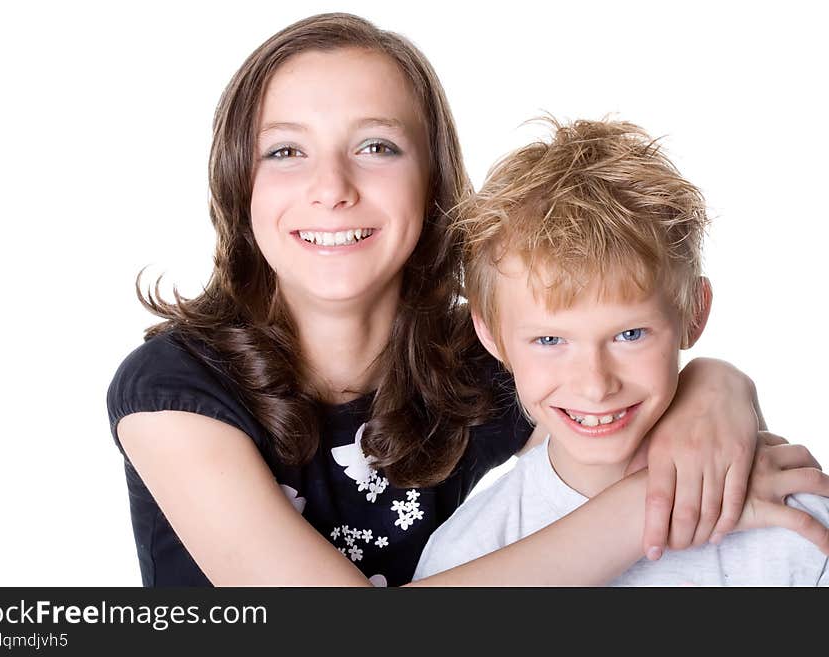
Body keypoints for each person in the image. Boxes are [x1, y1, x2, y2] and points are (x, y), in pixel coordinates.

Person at [106, 13, 829, 587]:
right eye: (285, 150)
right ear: (241, 182)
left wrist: (715, 383)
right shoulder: (173, 389)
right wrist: (654, 506)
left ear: (433, 181)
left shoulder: (484, 366)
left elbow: (599, 369)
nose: (331, 187)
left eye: (378, 147)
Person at [413, 118, 829, 585]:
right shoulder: (467, 554)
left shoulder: (792, 527)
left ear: (694, 313)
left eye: (630, 335)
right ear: (491, 337)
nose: (595, 384)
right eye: (550, 340)